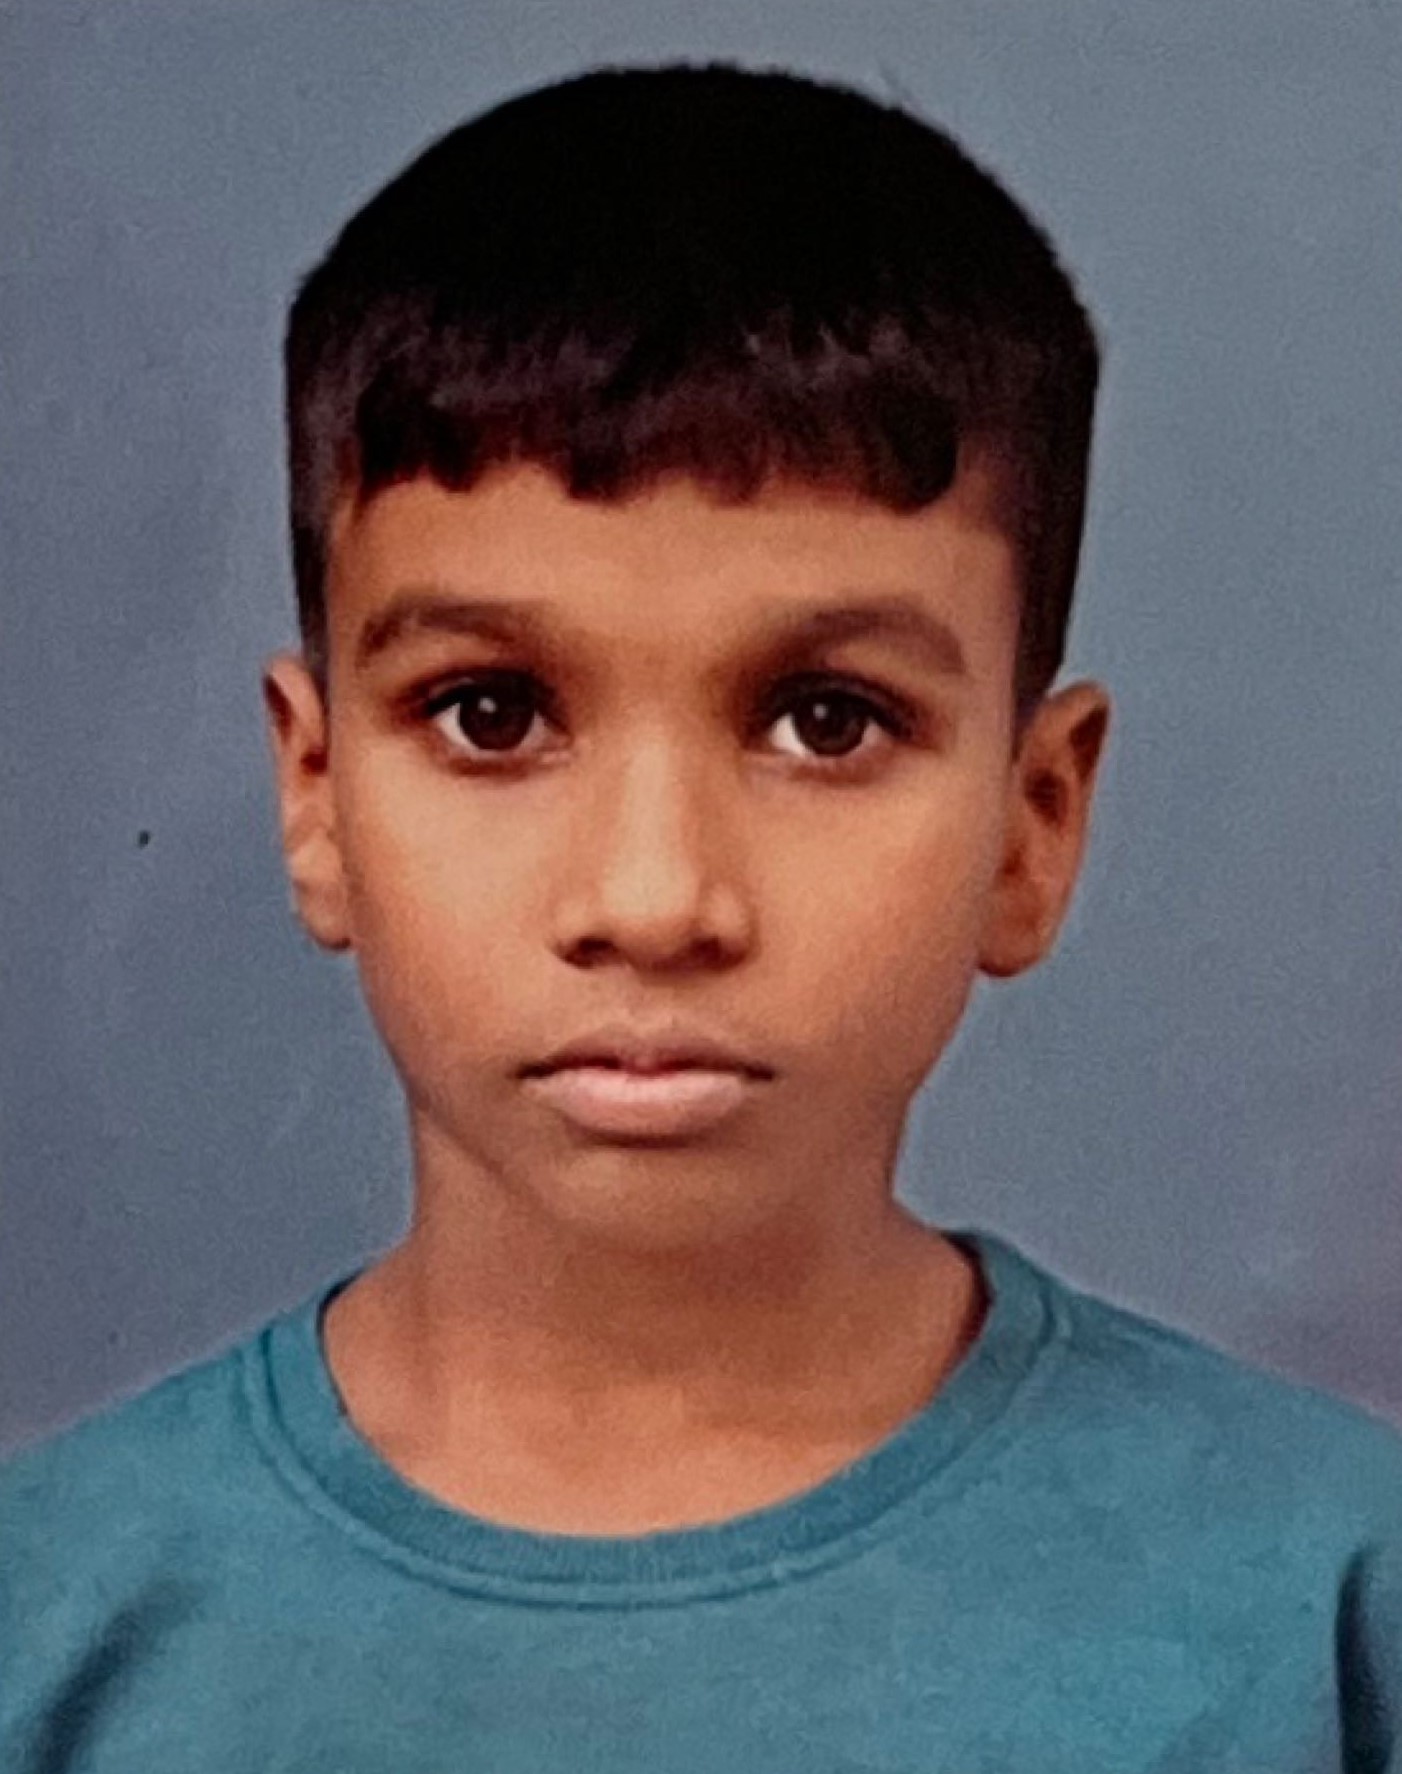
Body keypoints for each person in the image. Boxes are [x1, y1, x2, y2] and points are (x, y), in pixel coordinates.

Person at [3, 59, 1399, 1770]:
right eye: (491, 713)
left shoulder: (1328, 1610)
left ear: (1032, 821)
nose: (655, 899)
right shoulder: (49, 1625)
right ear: (316, 794)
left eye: (826, 720)